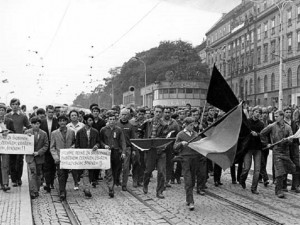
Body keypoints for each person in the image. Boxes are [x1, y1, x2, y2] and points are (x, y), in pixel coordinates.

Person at [260, 110, 294, 198]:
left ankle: (283, 187)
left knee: (288, 169)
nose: (275, 118)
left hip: (285, 152)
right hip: (277, 151)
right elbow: (262, 134)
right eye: (274, 116)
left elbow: (291, 138)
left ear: (282, 116)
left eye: (277, 116)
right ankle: (278, 190)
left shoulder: (288, 127)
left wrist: (287, 140)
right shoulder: (272, 126)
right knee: (279, 171)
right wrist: (267, 143)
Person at [139, 105, 168, 199]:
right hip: (150, 150)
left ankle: (159, 191)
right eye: (156, 111)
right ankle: (145, 184)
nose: (158, 113)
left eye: (160, 112)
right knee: (148, 171)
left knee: (161, 172)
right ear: (153, 112)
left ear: (162, 113)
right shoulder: (147, 122)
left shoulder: (164, 125)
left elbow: (165, 138)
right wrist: (143, 143)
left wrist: (160, 143)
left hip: (161, 151)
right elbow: (139, 132)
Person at [174, 117, 201, 211]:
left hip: (195, 158)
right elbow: (175, 147)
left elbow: (200, 145)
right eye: (190, 125)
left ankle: (188, 197)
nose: (192, 127)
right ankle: (191, 201)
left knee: (193, 179)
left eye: (193, 125)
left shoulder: (196, 134)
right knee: (188, 179)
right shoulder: (180, 134)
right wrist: (181, 143)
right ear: (185, 124)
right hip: (185, 158)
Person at [100, 112, 126, 198]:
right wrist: (104, 145)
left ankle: (114, 183)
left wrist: (123, 152)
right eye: (110, 119)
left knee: (116, 171)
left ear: (116, 120)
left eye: (113, 119)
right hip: (107, 152)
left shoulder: (118, 130)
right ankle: (111, 188)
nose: (111, 121)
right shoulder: (103, 129)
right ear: (107, 120)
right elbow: (100, 141)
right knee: (108, 170)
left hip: (116, 152)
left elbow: (122, 141)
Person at [239, 106, 265, 194]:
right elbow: (242, 132)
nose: (258, 114)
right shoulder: (247, 122)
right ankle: (242, 179)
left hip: (258, 149)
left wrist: (257, 134)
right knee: (246, 168)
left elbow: (263, 135)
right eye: (256, 112)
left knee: (257, 170)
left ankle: (254, 188)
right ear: (252, 112)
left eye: (259, 113)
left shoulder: (261, 124)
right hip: (248, 148)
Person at [50, 115, 76, 201]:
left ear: (66, 122)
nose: (62, 123)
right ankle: (62, 191)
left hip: (68, 157)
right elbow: (52, 147)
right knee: (60, 174)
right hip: (59, 158)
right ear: (58, 122)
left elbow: (74, 143)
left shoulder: (71, 132)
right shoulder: (54, 133)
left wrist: (71, 149)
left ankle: (63, 187)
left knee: (66, 174)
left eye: (64, 121)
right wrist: (55, 157)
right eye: (60, 121)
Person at [6, 98, 30, 187]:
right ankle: (13, 180)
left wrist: (28, 131)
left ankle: (19, 178)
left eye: (16, 104)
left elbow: (29, 126)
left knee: (20, 160)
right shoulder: (7, 116)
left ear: (19, 105)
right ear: (11, 105)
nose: (15, 106)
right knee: (12, 161)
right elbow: (4, 127)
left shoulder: (23, 116)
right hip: (11, 142)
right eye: (13, 104)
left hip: (20, 142)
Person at [75, 114, 100, 197]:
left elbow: (98, 142)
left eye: (92, 120)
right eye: (89, 120)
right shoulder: (79, 132)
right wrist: (79, 150)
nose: (91, 122)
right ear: (85, 121)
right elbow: (77, 144)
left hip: (92, 155)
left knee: (91, 172)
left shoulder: (95, 132)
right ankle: (87, 189)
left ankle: (86, 186)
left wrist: (96, 145)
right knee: (85, 172)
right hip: (84, 156)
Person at [25, 117, 48, 199]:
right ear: (31, 124)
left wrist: (39, 152)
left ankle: (37, 189)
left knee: (38, 174)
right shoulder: (27, 132)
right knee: (33, 173)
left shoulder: (44, 133)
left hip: (39, 157)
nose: (36, 125)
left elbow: (46, 145)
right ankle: (33, 191)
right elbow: (23, 143)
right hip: (30, 157)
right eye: (34, 124)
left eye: (37, 124)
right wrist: (26, 137)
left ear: (40, 124)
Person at [39, 105, 59, 192]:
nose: (51, 114)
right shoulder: (42, 121)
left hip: (54, 146)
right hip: (46, 145)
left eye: (52, 112)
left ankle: (51, 182)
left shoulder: (57, 121)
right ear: (46, 112)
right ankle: (47, 183)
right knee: (46, 166)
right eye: (49, 112)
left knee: (53, 165)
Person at [116, 108, 136, 190]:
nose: (124, 116)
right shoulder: (116, 124)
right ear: (120, 115)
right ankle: (117, 180)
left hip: (127, 149)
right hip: (117, 149)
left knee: (126, 167)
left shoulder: (130, 126)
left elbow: (133, 139)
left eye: (125, 115)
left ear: (128, 116)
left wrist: (134, 149)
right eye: (122, 114)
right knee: (117, 166)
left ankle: (124, 184)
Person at [67, 110, 85, 190]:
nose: (74, 116)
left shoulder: (82, 125)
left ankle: (78, 177)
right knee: (74, 166)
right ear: (70, 117)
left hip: (80, 147)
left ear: (78, 116)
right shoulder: (68, 126)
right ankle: (75, 181)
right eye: (72, 115)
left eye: (75, 115)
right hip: (72, 147)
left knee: (81, 166)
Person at [283, 107, 300, 193]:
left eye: (290, 112)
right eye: (286, 112)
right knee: (285, 165)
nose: (288, 114)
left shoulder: (294, 123)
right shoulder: (281, 123)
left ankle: (295, 185)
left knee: (297, 165)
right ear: (284, 113)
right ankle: (284, 185)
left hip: (294, 146)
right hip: (286, 147)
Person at [0, 103, 15, 192]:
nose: (0, 112)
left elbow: (14, 132)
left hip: (5, 147)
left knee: (5, 165)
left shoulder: (9, 121)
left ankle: (5, 184)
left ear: (5, 112)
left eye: (2, 110)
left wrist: (8, 132)